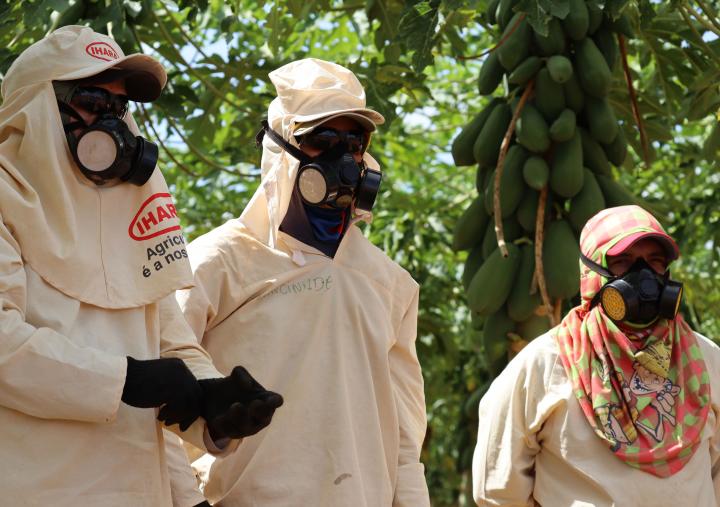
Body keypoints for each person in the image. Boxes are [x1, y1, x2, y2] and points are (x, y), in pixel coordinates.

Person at [0, 25, 281, 506]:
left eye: (118, 109)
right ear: (38, 110)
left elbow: (168, 343)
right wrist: (124, 379)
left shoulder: (128, 210)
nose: (109, 124)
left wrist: (213, 402)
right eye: (92, 103)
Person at [174, 58, 430, 506]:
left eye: (355, 141)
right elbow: (161, 405)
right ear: (280, 151)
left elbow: (405, 437)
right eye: (322, 140)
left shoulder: (390, 284)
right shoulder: (214, 264)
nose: (344, 157)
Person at [472, 205, 720, 506]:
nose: (643, 278)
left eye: (655, 262)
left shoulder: (705, 359)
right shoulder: (545, 363)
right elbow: (498, 489)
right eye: (622, 262)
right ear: (592, 272)